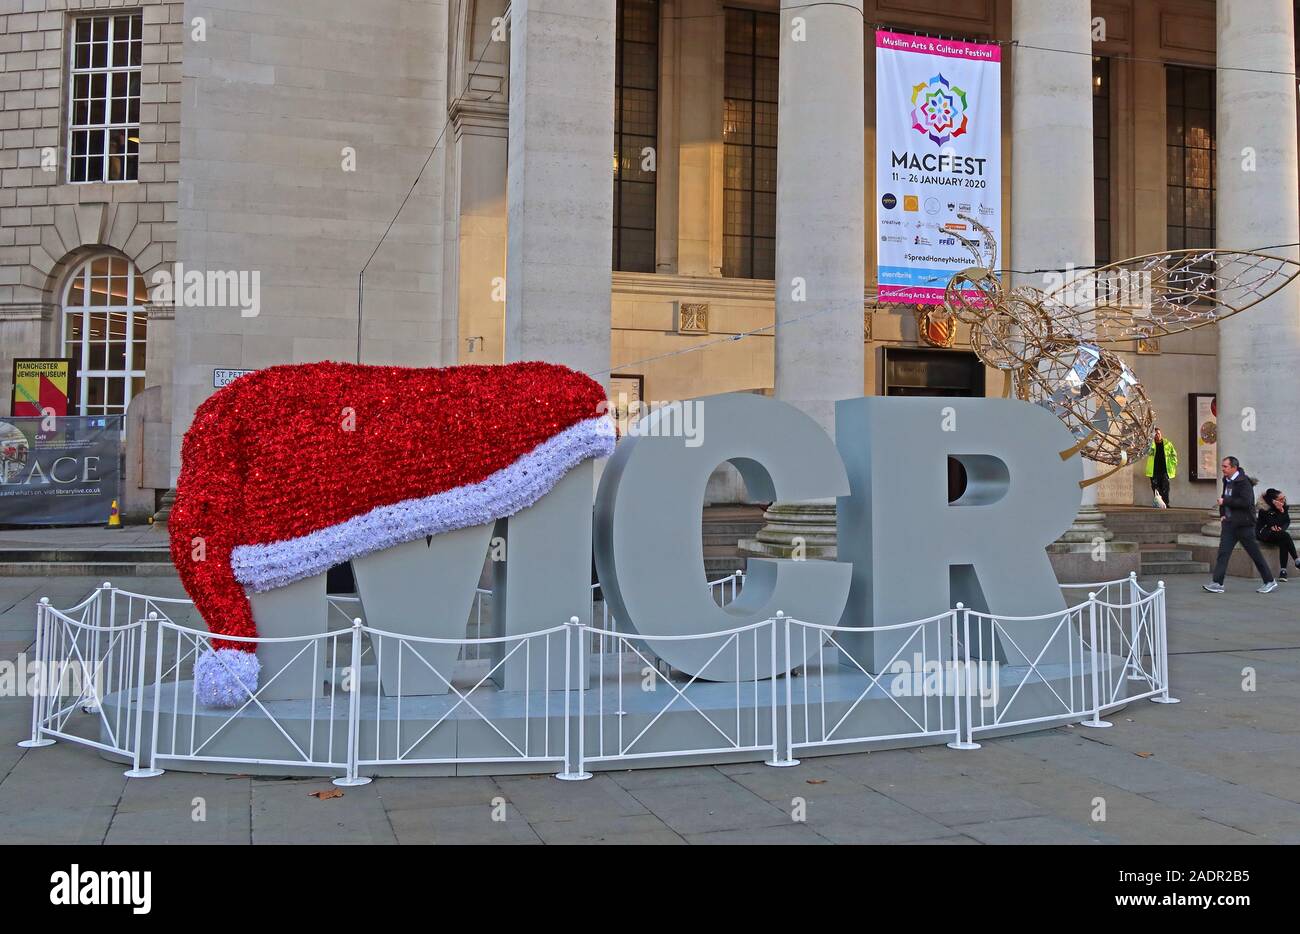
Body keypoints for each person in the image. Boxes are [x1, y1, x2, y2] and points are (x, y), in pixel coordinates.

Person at [1204, 456, 1277, 594]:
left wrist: (1225, 502)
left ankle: (1269, 581)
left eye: (1225, 466)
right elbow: (1223, 496)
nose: (1223, 469)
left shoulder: (1244, 482)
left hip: (1244, 525)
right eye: (1222, 466)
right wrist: (1222, 515)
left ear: (1234, 467)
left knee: (1255, 554)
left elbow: (1246, 502)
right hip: (1229, 524)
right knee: (1223, 554)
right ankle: (1217, 583)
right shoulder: (1226, 480)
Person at [1256, 488, 1296, 582]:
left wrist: (1281, 527)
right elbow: (1271, 523)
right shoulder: (1264, 509)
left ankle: (1283, 571)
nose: (1284, 500)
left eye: (1284, 498)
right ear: (1273, 501)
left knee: (1283, 539)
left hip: (1278, 533)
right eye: (1281, 499)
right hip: (1264, 533)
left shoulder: (1283, 506)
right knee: (1285, 536)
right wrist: (1281, 513)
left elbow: (1286, 521)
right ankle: (1296, 560)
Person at [1143, 427, 1178, 507]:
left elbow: (1174, 455)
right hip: (1154, 470)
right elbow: (1145, 453)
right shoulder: (1150, 444)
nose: (1157, 435)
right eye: (1155, 434)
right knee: (1155, 488)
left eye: (1158, 433)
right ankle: (1159, 503)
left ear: (1161, 434)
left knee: (1165, 487)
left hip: (1165, 470)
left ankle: (1166, 503)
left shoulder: (1167, 443)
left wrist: (1173, 464)